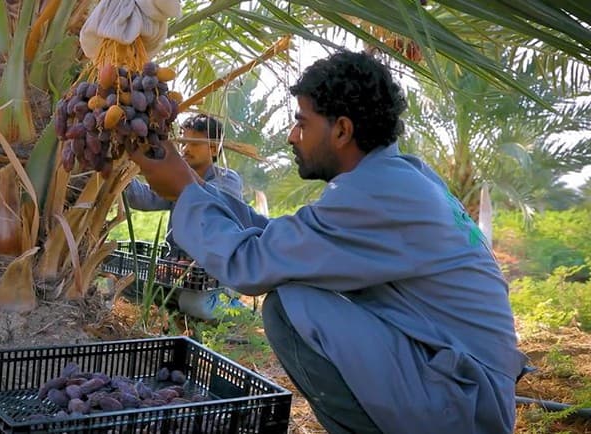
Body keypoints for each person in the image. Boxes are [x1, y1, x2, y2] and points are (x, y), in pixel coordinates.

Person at [128, 51, 527, 434]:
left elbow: (253, 264)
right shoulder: (400, 176)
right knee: (294, 280)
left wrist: (185, 192)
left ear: (341, 130)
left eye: (302, 123)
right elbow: (286, 242)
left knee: (290, 304)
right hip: (459, 384)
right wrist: (194, 188)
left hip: (464, 404)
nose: (292, 136)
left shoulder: (378, 193)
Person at [124, 113, 243, 260]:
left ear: (213, 149)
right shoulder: (178, 181)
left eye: (194, 144)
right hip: (175, 260)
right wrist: (121, 177)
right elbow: (144, 199)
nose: (185, 149)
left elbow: (207, 203)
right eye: (183, 143)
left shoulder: (227, 179)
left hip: (207, 264)